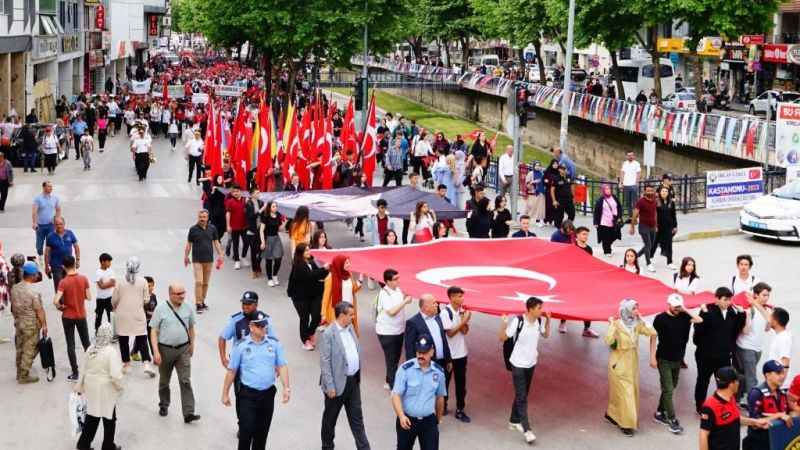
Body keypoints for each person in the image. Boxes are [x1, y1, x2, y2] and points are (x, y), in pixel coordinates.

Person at [221, 313, 289, 450]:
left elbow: (282, 366)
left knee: (262, 433)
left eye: (265, 326)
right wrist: (225, 393)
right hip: (248, 395)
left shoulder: (274, 344)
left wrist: (286, 388)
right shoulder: (240, 346)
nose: (264, 329)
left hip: (267, 394)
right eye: (261, 326)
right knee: (246, 430)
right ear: (252, 327)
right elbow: (232, 371)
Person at [498, 297, 551, 444]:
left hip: (531, 363)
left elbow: (546, 335)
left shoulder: (539, 321)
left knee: (523, 393)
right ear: (531, 309)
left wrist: (548, 320)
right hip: (518, 364)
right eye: (540, 308)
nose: (542, 310)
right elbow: (502, 337)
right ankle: (527, 430)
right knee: (522, 396)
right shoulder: (518, 321)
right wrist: (503, 324)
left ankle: (513, 420)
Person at [319, 302, 371, 450]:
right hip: (335, 385)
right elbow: (325, 362)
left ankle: (364, 447)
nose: (353, 317)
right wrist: (330, 386)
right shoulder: (329, 334)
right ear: (342, 316)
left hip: (353, 382)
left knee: (357, 419)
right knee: (330, 420)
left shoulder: (351, 328)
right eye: (351, 315)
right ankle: (327, 447)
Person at [604, 299, 657, 437]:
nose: (636, 311)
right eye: (634, 309)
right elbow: (608, 341)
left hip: (632, 364)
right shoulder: (616, 324)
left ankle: (612, 415)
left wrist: (642, 318)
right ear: (627, 310)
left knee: (626, 392)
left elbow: (653, 333)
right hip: (619, 363)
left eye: (637, 308)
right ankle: (627, 424)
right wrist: (611, 325)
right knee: (627, 394)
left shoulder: (636, 324)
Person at [653, 294, 703, 434]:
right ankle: (672, 420)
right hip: (663, 358)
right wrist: (652, 357)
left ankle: (659, 413)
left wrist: (684, 309)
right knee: (668, 389)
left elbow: (699, 320)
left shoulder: (685, 316)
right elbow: (653, 336)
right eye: (675, 307)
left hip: (678, 359)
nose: (677, 309)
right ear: (668, 304)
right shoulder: (660, 319)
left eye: (679, 306)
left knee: (671, 387)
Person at [150, 282, 200, 423]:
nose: (182, 296)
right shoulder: (160, 309)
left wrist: (192, 344)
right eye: (178, 294)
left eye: (183, 293)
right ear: (170, 294)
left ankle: (189, 413)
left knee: (185, 380)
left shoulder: (188, 307)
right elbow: (153, 331)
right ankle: (164, 404)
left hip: (183, 349)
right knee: (164, 381)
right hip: (165, 350)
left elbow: (191, 328)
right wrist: (156, 352)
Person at [694, 287, 745, 413]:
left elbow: (736, 329)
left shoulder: (732, 312)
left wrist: (742, 314)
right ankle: (700, 406)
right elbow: (698, 331)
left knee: (724, 382)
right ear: (716, 299)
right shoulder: (707, 310)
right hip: (706, 355)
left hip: (723, 355)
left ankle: (722, 405)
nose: (728, 302)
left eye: (729, 300)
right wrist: (704, 314)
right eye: (725, 299)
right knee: (703, 380)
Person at [391, 334, 447, 450]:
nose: (421, 355)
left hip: (428, 421)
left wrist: (438, 418)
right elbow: (396, 395)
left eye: (425, 352)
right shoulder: (405, 369)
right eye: (419, 352)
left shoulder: (439, 372)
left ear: (432, 351)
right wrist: (401, 416)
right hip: (407, 420)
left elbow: (440, 397)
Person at [74, 324, 123, 450]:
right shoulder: (110, 351)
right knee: (110, 419)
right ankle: (108, 446)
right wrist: (120, 387)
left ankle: (83, 444)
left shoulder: (91, 348)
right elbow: (115, 375)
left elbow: (83, 369)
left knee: (92, 416)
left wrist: (79, 386)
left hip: (91, 388)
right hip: (106, 390)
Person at [699, 367, 770, 450]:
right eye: (737, 381)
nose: (739, 383)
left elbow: (735, 418)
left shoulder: (730, 398)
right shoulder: (709, 406)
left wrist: (755, 422)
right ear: (731, 384)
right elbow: (703, 435)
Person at [112, 257, 155, 377]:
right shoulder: (143, 282)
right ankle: (146, 363)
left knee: (123, 339)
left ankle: (126, 364)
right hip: (138, 314)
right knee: (141, 337)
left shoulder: (120, 281)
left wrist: (116, 306)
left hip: (122, 314)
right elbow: (146, 300)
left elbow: (114, 299)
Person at [53, 255, 91, 382]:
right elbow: (89, 297)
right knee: (87, 343)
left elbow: (55, 300)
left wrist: (61, 306)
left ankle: (75, 372)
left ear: (63, 266)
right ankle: (91, 370)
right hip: (81, 315)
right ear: (75, 264)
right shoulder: (83, 278)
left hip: (68, 316)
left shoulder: (63, 282)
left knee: (71, 344)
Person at [735, 283, 772, 406]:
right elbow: (745, 330)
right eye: (764, 295)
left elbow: (767, 328)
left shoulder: (766, 309)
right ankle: (753, 404)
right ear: (755, 295)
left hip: (758, 348)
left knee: (744, 374)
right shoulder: (750, 308)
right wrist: (748, 317)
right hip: (746, 347)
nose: (766, 297)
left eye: (768, 295)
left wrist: (768, 320)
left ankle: (739, 397)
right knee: (751, 377)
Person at [286, 243, 329, 350]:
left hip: (314, 294)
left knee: (316, 316)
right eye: (306, 251)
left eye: (309, 250)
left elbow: (319, 275)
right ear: (300, 253)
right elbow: (309, 276)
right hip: (300, 297)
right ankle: (305, 341)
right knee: (304, 318)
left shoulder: (311, 262)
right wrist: (324, 268)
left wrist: (327, 270)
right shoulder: (298, 265)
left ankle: (310, 333)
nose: (308, 252)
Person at [10, 261, 47, 383]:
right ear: (32, 275)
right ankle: (24, 375)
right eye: (36, 274)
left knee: (20, 347)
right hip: (31, 324)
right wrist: (44, 325)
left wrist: (17, 318)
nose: (37, 276)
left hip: (19, 322)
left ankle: (18, 372)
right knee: (30, 348)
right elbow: (39, 311)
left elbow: (13, 308)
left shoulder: (15, 288)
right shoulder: (33, 292)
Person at [375, 269, 412, 390]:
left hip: (398, 330)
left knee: (395, 357)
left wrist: (406, 298)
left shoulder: (398, 290)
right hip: (386, 332)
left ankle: (388, 380)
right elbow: (391, 311)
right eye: (395, 279)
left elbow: (401, 302)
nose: (398, 281)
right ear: (387, 281)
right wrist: (405, 301)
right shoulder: (384, 293)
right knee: (391, 359)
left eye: (398, 278)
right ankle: (394, 387)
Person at [440, 286, 472, 423]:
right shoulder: (445, 313)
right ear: (452, 297)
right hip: (449, 355)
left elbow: (465, 332)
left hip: (461, 353)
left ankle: (460, 409)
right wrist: (463, 321)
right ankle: (443, 406)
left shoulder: (461, 311)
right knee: (445, 381)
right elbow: (450, 333)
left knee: (461, 383)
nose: (462, 298)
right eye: (459, 296)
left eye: (462, 296)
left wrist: (465, 322)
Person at [743, 361, 792, 450]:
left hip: (778, 439)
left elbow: (788, 414)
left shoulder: (782, 393)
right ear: (767, 375)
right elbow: (755, 423)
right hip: (760, 442)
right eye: (778, 373)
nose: (782, 376)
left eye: (782, 373)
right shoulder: (756, 393)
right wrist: (779, 415)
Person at [184, 209, 224, 313]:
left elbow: (216, 242)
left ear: (207, 218)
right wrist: (186, 256)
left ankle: (202, 301)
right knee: (199, 281)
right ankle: (198, 303)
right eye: (200, 217)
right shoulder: (193, 229)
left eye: (204, 217)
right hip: (197, 260)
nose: (202, 219)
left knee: (205, 283)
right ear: (198, 217)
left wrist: (220, 254)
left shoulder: (212, 228)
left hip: (209, 260)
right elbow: (189, 244)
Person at [45, 216, 80, 292]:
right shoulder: (50, 236)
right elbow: (47, 253)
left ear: (64, 224)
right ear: (54, 225)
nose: (59, 226)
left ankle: (69, 301)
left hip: (69, 265)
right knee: (59, 286)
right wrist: (46, 266)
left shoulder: (70, 233)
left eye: (61, 224)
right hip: (56, 266)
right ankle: (60, 302)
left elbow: (76, 247)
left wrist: (77, 260)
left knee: (70, 284)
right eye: (57, 224)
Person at [629, 184, 658, 272]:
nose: (650, 192)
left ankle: (636, 256)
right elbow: (635, 214)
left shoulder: (654, 200)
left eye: (651, 190)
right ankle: (648, 263)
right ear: (644, 191)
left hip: (652, 226)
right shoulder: (641, 201)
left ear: (653, 191)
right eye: (648, 190)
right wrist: (632, 226)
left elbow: (655, 213)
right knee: (648, 244)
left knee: (650, 245)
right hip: (643, 227)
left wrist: (656, 225)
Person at [33, 181, 62, 266]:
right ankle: (40, 255)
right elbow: (34, 211)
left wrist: (57, 219)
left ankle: (49, 258)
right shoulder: (38, 199)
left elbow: (58, 209)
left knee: (51, 242)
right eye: (49, 186)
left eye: (51, 186)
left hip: (51, 225)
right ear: (44, 187)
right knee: (39, 244)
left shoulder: (55, 198)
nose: (50, 188)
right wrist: (34, 223)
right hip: (40, 225)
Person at [653, 186, 677, 270]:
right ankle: (650, 259)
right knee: (654, 243)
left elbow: (673, 215)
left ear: (668, 193)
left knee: (669, 245)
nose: (664, 193)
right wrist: (654, 226)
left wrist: (675, 226)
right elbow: (653, 215)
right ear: (659, 192)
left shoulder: (671, 202)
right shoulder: (656, 202)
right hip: (658, 227)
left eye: (666, 191)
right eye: (662, 191)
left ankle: (669, 262)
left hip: (668, 227)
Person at [593, 184, 622, 256]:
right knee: (605, 237)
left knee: (615, 235)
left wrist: (619, 217)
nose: (608, 190)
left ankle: (608, 245)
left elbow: (619, 207)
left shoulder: (614, 197)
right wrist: (595, 222)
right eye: (606, 189)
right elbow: (596, 212)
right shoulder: (600, 200)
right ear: (603, 190)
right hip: (604, 222)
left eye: (609, 189)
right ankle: (607, 251)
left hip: (614, 221)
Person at [225, 185, 248, 271]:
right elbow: (228, 214)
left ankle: (243, 256)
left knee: (246, 242)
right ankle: (237, 260)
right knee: (235, 244)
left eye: (237, 191)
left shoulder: (245, 200)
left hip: (244, 226)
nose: (235, 193)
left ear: (240, 191)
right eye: (234, 191)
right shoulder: (230, 201)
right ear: (231, 193)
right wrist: (228, 225)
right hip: (234, 227)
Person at [94, 253, 116, 331]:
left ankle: (113, 332)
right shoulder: (98, 273)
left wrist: (105, 284)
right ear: (102, 262)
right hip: (100, 299)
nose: (110, 263)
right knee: (98, 316)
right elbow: (101, 286)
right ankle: (97, 331)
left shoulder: (111, 271)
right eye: (108, 261)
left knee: (111, 316)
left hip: (110, 298)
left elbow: (113, 283)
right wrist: (109, 283)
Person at [551, 164, 574, 229]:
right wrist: (554, 200)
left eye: (564, 169)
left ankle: (567, 226)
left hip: (569, 199)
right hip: (560, 200)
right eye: (562, 169)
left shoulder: (568, 177)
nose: (564, 170)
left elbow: (572, 187)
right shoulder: (556, 178)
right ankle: (559, 229)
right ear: (559, 170)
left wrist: (574, 197)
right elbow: (552, 190)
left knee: (572, 214)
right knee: (559, 217)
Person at [619, 152, 641, 217]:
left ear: (634, 156)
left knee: (635, 202)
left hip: (633, 185)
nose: (630, 156)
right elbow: (622, 173)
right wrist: (621, 182)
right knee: (628, 202)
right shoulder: (624, 163)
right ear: (626, 156)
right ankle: (630, 216)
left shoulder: (636, 163)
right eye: (628, 155)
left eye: (631, 155)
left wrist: (637, 183)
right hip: (626, 185)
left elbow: (638, 173)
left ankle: (635, 216)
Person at [524, 161, 546, 226]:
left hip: (541, 192)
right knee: (532, 207)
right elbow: (527, 183)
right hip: (533, 193)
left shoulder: (541, 173)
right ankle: (531, 220)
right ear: (534, 166)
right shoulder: (531, 173)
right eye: (536, 165)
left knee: (540, 207)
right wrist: (533, 183)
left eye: (539, 165)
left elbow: (543, 182)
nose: (538, 167)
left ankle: (539, 220)